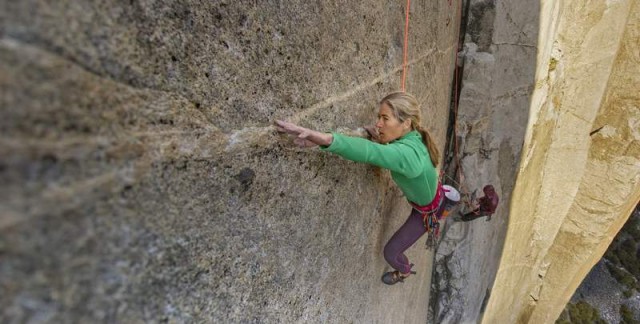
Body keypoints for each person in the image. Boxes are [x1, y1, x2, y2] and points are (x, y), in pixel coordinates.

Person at [275, 92, 443, 285]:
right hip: (433, 196)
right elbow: (392, 150)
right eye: (379, 117)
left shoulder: (409, 157)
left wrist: (325, 139)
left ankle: (404, 271)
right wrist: (384, 140)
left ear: (406, 123)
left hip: (428, 211)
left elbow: (370, 153)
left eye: (385, 118)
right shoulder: (414, 136)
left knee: (391, 253)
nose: (378, 124)